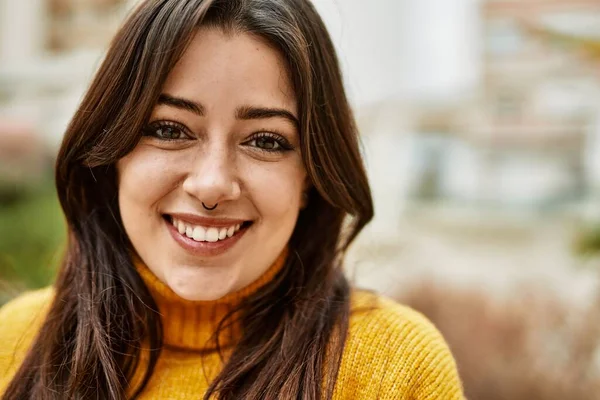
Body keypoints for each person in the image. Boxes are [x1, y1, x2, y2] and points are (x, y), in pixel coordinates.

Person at [0, 0, 464, 399]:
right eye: (168, 129)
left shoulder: (393, 368)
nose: (211, 184)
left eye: (265, 140)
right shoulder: (17, 342)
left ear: (310, 177)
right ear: (112, 155)